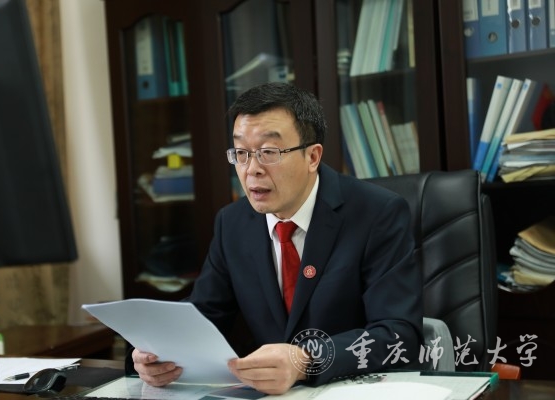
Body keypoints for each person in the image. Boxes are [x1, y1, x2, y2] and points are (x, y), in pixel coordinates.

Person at [130, 82, 423, 395]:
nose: (251, 170)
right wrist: (157, 352)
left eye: (268, 152)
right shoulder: (233, 223)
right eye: (241, 153)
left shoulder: (377, 214)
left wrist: (306, 360)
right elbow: (205, 314)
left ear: (312, 157)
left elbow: (399, 334)